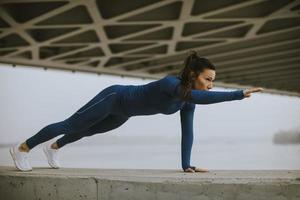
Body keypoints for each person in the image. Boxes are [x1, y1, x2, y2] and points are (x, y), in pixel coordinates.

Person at [9, 50, 263, 173]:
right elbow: (198, 96)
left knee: (88, 131)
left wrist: (186, 165)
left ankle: (52, 148)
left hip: (123, 113)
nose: (211, 85)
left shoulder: (189, 101)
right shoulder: (171, 84)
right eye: (208, 79)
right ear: (194, 75)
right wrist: (237, 94)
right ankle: (22, 148)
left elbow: (188, 133)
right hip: (114, 97)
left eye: (213, 81)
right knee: (73, 124)